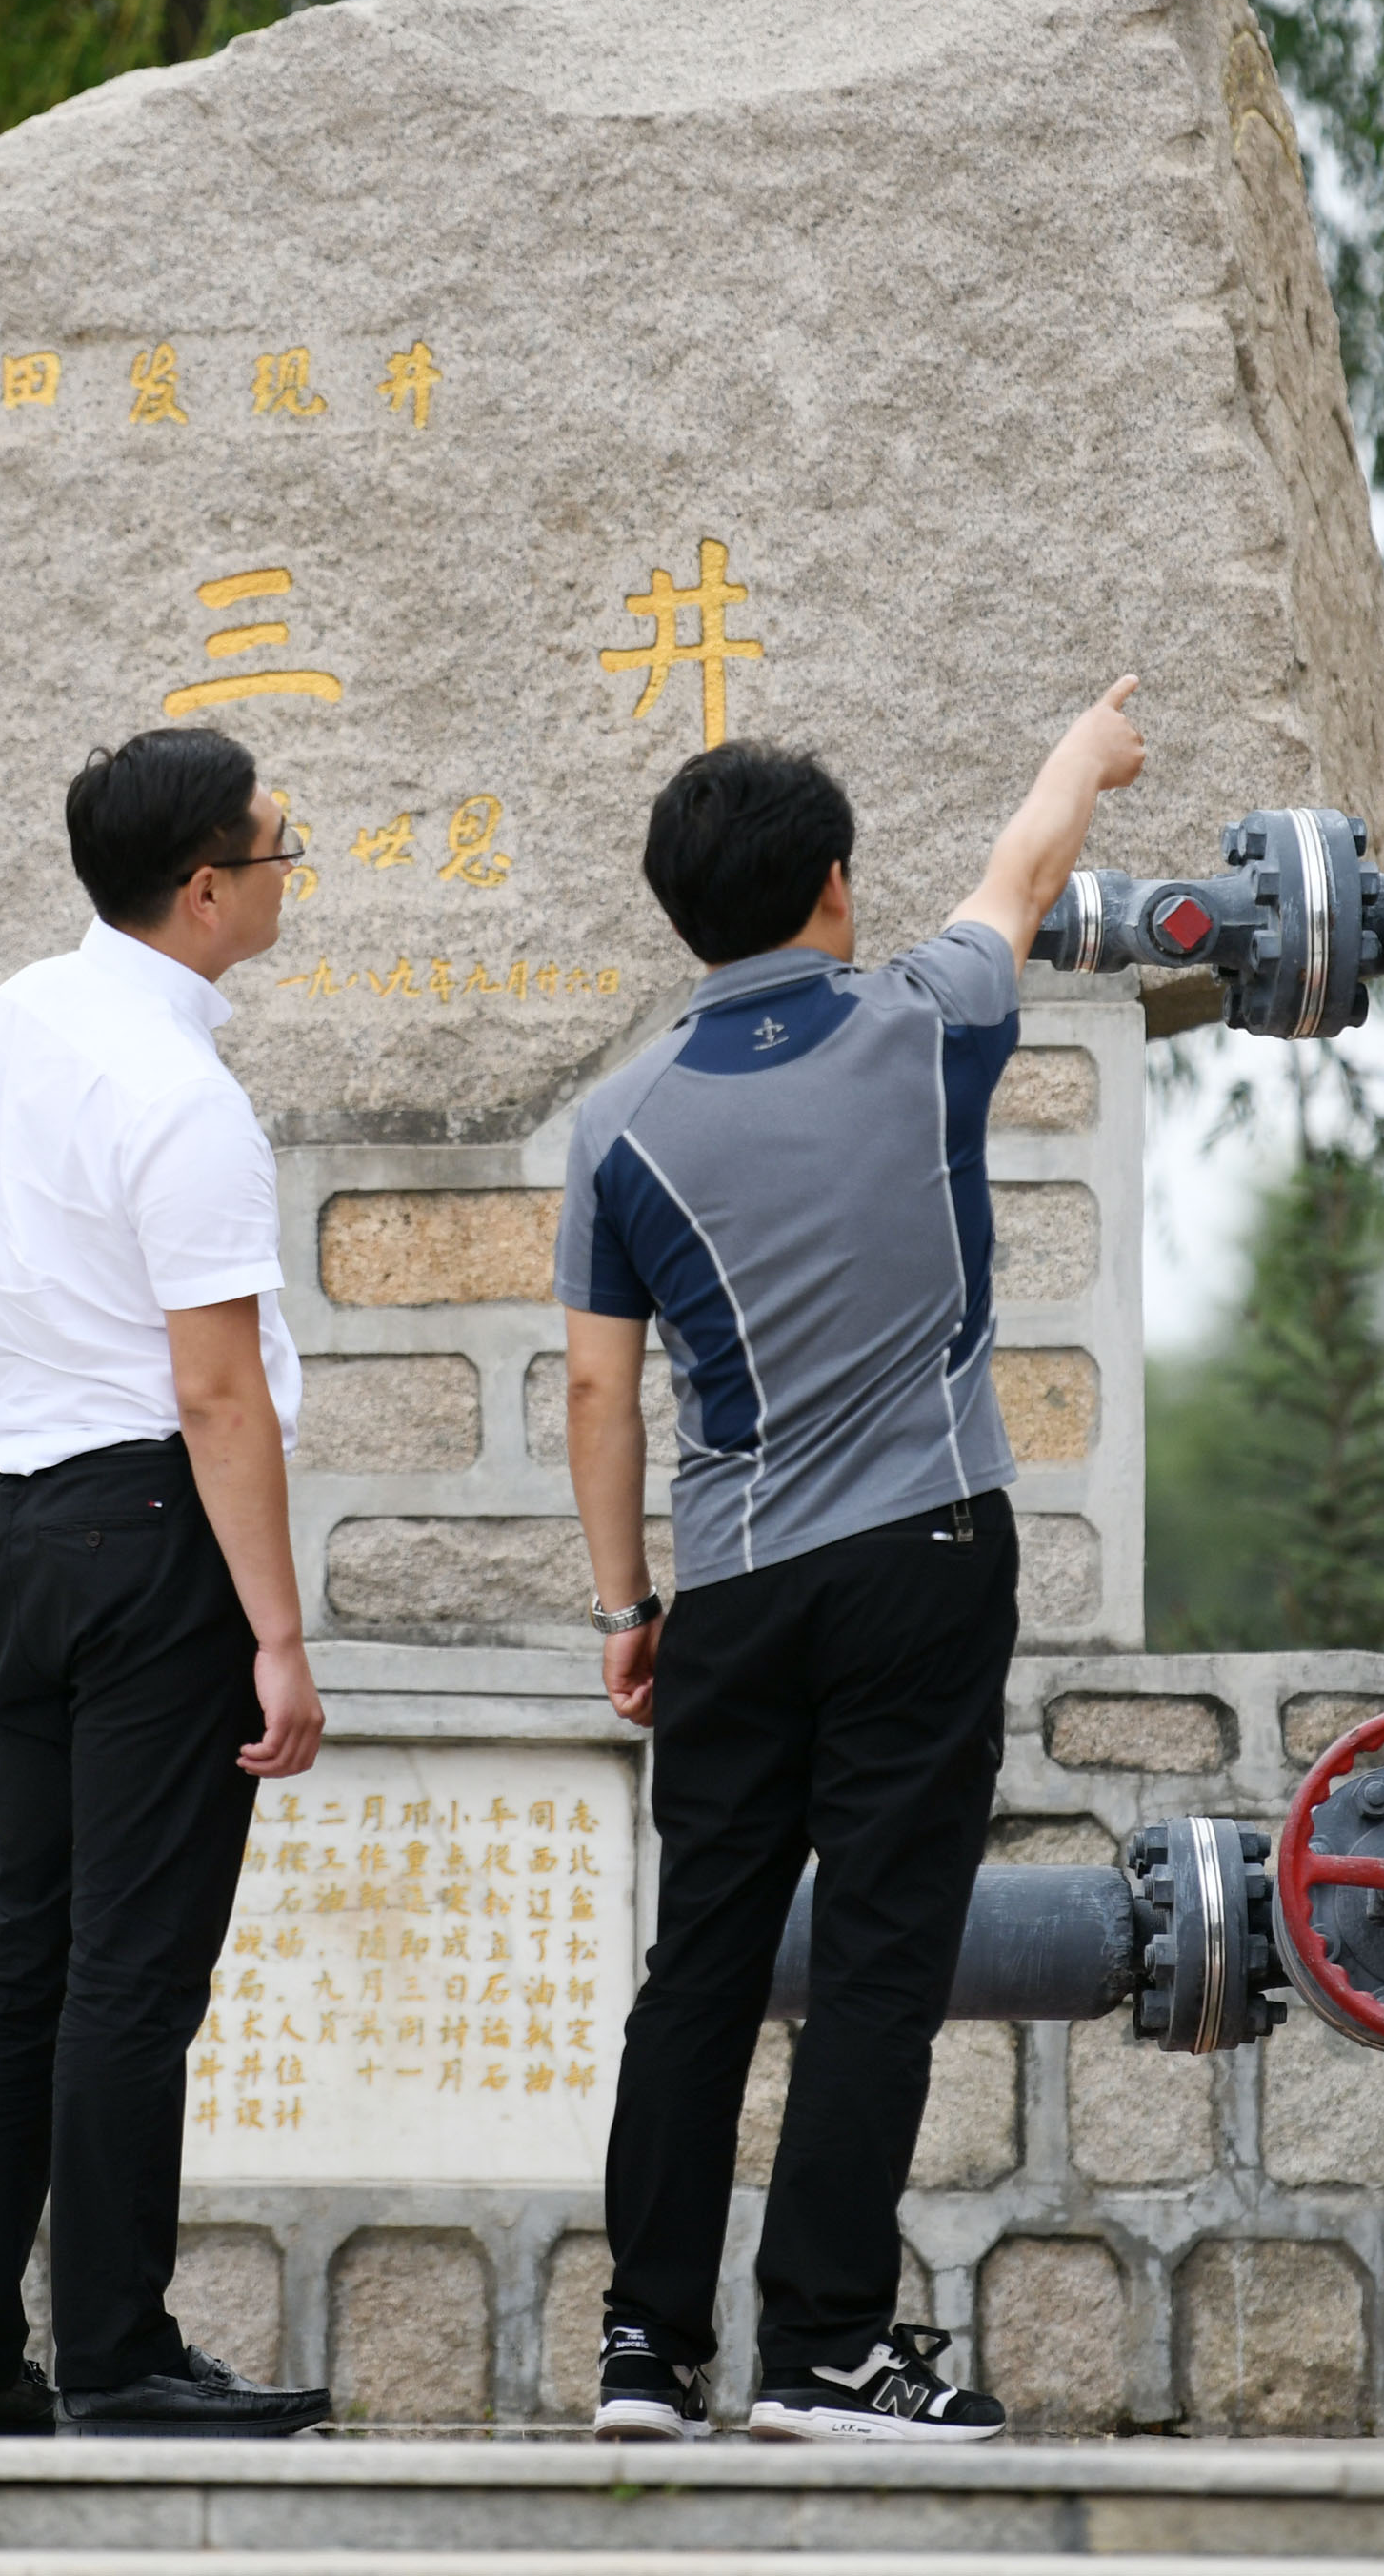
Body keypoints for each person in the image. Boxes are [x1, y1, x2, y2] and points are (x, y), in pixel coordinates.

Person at [557, 682, 1147, 2444]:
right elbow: (1024, 867)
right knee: (879, 1957)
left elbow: (598, 1386)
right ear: (829, 884)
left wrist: (624, 1608)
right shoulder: (922, 1017)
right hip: (924, 1554)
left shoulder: (620, 1122)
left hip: (730, 1584)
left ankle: (644, 2354)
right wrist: (1087, 746)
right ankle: (824, 2348)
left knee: (701, 1966)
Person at [0, 724, 334, 2440]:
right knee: (132, 1970)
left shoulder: (10, 1020)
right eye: (280, 844)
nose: (294, 865)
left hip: (18, 1524)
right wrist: (280, 1637)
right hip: (156, 1539)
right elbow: (218, 1389)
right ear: (209, 888)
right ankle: (117, 2353)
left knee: (28, 1954)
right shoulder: (183, 1097)